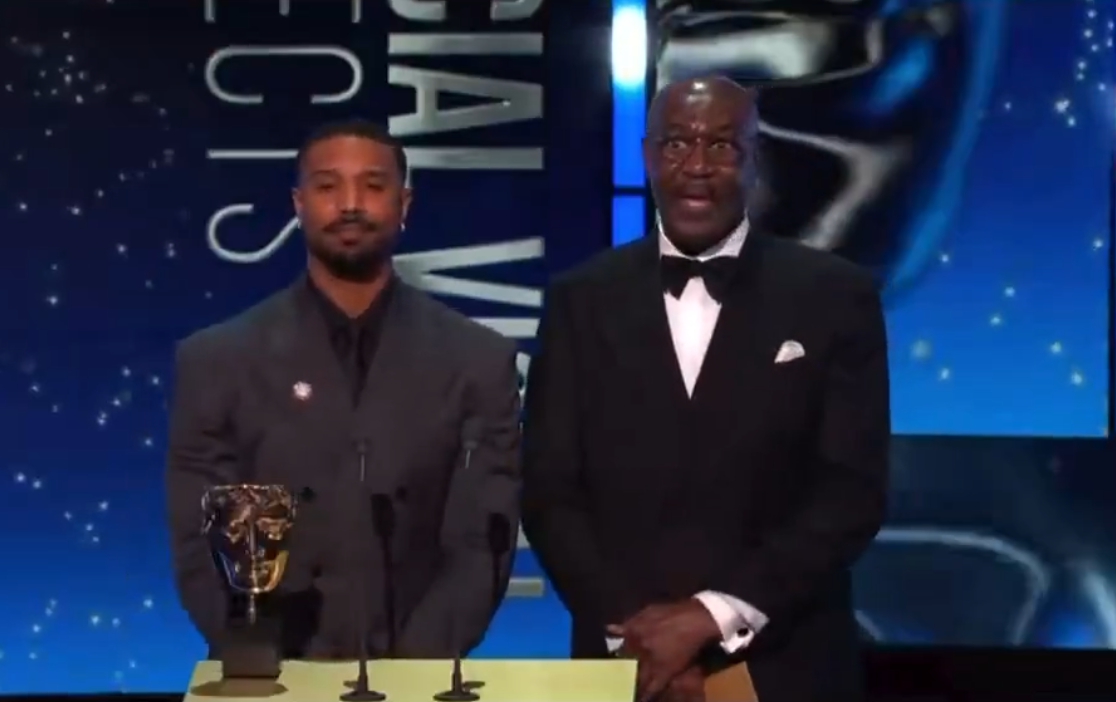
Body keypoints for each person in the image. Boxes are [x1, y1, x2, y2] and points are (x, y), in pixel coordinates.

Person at [521, 77, 890, 702]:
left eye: (721, 145)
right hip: (626, 668)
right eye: (676, 144)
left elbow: (849, 492)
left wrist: (710, 617)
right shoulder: (580, 299)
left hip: (787, 667)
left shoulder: (835, 296)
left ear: (754, 159)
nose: (696, 166)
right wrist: (640, 640)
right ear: (646, 156)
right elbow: (550, 492)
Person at [166, 119, 522, 659]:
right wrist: (263, 662)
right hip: (271, 679)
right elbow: (198, 541)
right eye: (328, 186)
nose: (350, 204)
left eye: (373, 186)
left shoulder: (478, 361)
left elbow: (479, 545)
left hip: (417, 679)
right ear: (298, 203)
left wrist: (409, 678)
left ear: (405, 204)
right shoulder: (217, 360)